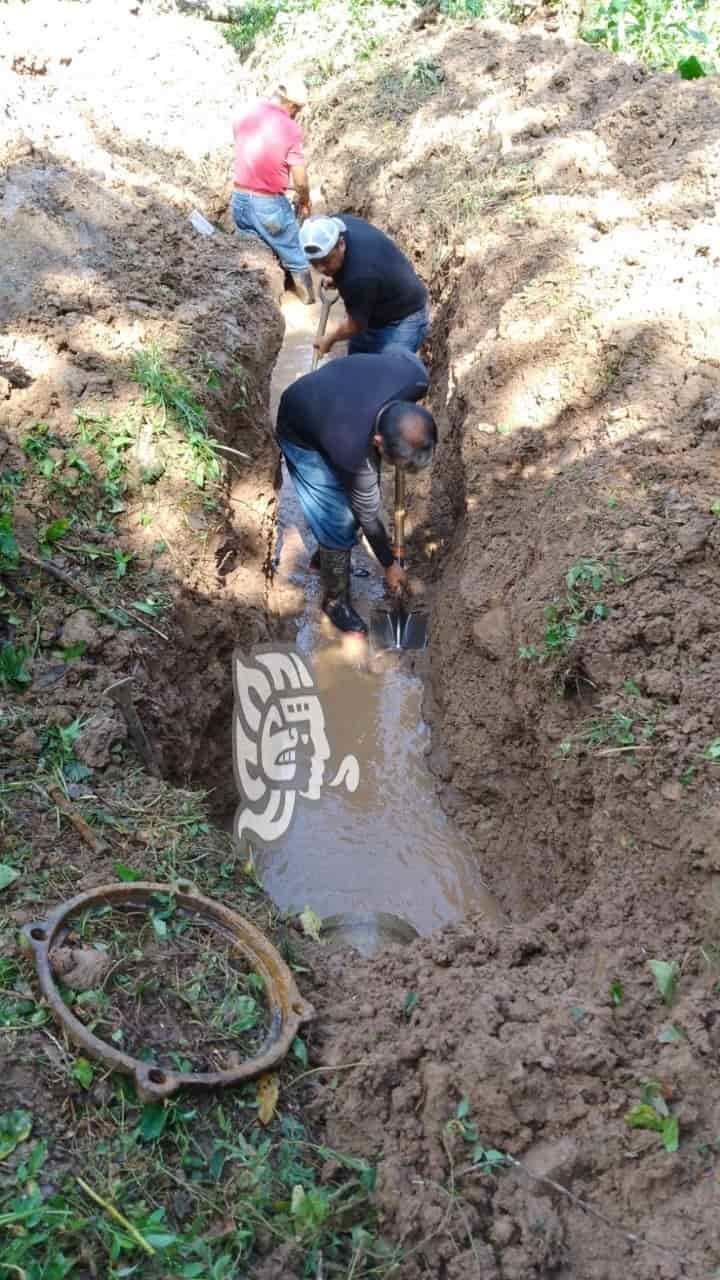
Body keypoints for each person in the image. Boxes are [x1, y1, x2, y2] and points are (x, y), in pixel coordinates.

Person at [276, 349, 437, 635]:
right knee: (338, 519)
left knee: (355, 506)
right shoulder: (351, 448)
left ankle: (324, 558)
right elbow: (368, 514)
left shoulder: (416, 379)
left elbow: (398, 353)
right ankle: (335, 601)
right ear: (377, 441)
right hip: (301, 424)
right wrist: (389, 564)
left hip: (338, 403)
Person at [230, 76, 315, 303]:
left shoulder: (244, 112)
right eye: (297, 110)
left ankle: (260, 304)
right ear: (292, 105)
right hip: (267, 204)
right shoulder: (289, 127)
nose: (296, 114)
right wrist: (304, 200)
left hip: (239, 199)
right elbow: (300, 180)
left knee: (253, 254)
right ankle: (308, 300)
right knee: (295, 253)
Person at [299, 213, 429, 356]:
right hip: (375, 309)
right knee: (357, 366)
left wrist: (329, 339)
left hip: (404, 319)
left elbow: (356, 325)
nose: (320, 270)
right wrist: (337, 278)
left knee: (389, 373)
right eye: (314, 263)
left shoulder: (359, 276)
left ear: (341, 244)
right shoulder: (335, 226)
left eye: (326, 262)